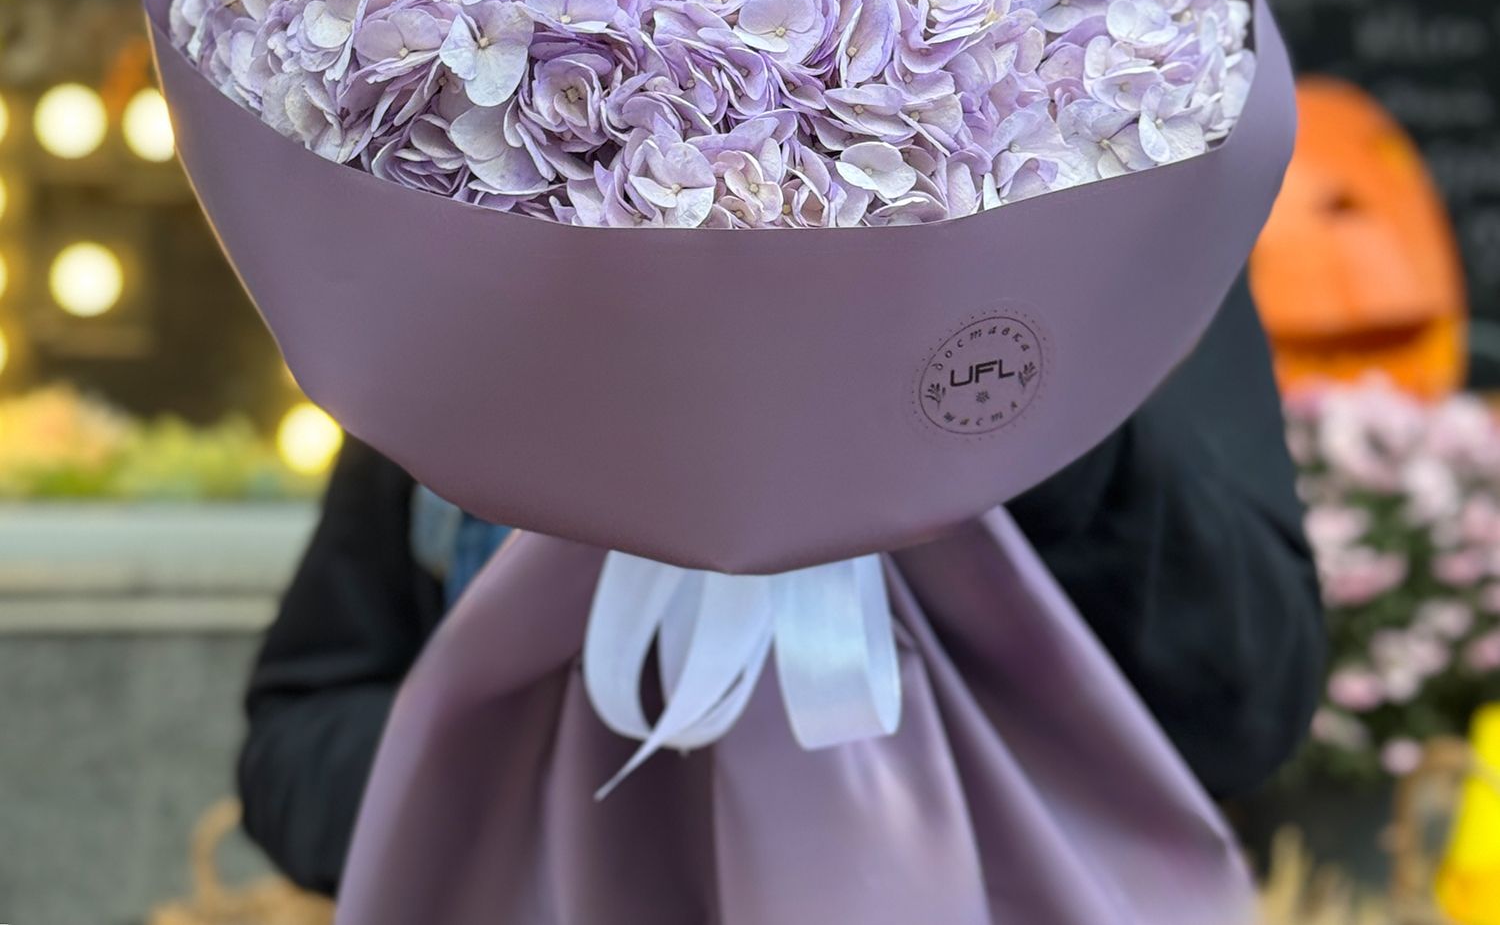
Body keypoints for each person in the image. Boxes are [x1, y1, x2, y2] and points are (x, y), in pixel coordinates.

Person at [237, 273, 1325, 897]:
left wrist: (1010, 382)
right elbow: (301, 734)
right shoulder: (477, 286)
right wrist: (527, 771)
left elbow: (1246, 706)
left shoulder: (1119, 248)